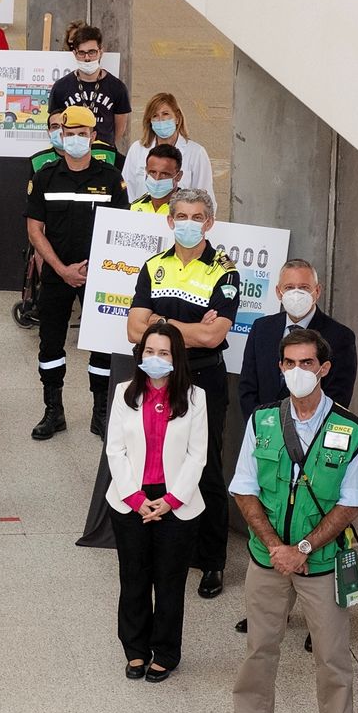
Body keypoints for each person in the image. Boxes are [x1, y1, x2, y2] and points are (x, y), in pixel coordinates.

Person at [217, 328, 358, 713]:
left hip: (320, 563)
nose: (297, 372)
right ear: (279, 368)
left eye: (307, 364)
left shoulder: (350, 429)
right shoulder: (262, 420)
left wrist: (302, 549)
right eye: (289, 363)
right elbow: (244, 487)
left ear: (323, 369)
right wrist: (276, 548)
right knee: (259, 647)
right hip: (268, 559)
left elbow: (352, 502)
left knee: (332, 656)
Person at [125, 188, 240, 600]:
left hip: (204, 381)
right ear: (170, 221)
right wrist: (185, 329)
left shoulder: (224, 271)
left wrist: (161, 323)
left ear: (208, 222)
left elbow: (214, 334)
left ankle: (212, 561)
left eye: (197, 216)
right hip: (157, 379)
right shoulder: (153, 265)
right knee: (158, 461)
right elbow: (134, 330)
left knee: (206, 467)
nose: (189, 223)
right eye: (182, 216)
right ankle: (169, 544)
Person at [105, 321, 208, 683]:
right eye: (149, 351)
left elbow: (198, 456)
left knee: (169, 582)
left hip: (176, 502)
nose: (155, 358)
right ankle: (135, 650)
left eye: (164, 352)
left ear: (176, 358)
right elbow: (114, 450)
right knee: (134, 579)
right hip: (130, 498)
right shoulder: (122, 393)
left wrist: (170, 500)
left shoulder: (196, 398)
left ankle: (165, 652)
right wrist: (136, 499)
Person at [26, 105, 129, 441]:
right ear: (60, 136)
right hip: (57, 274)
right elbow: (35, 230)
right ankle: (53, 411)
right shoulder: (45, 176)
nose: (74, 140)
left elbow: (120, 231)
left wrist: (90, 268)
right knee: (50, 343)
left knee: (101, 347)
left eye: (81, 134)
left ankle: (101, 412)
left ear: (93, 137)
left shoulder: (111, 179)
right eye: (69, 134)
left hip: (99, 276)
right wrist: (60, 269)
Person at [240, 258, 358, 416]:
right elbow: (247, 388)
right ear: (278, 292)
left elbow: (338, 397)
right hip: (264, 431)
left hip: (312, 433)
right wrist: (261, 427)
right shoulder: (261, 328)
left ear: (317, 291)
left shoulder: (341, 337)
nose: (296, 294)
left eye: (304, 287)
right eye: (289, 288)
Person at [121, 93, 215, 203]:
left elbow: (205, 197)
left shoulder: (196, 153)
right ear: (149, 121)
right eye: (155, 116)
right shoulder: (137, 149)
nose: (160, 120)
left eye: (165, 114)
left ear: (177, 118)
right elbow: (126, 189)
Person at [48, 25, 131, 148]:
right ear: (75, 53)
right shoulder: (61, 87)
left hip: (104, 152)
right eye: (82, 53)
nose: (87, 58)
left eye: (92, 52)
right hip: (71, 151)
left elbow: (120, 127)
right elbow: (54, 122)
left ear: (101, 52)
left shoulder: (117, 87)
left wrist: (107, 145)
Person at [128, 143, 182, 214]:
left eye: (164, 174)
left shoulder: (189, 209)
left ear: (178, 176)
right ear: (146, 171)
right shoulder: (134, 207)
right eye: (153, 172)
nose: (157, 178)